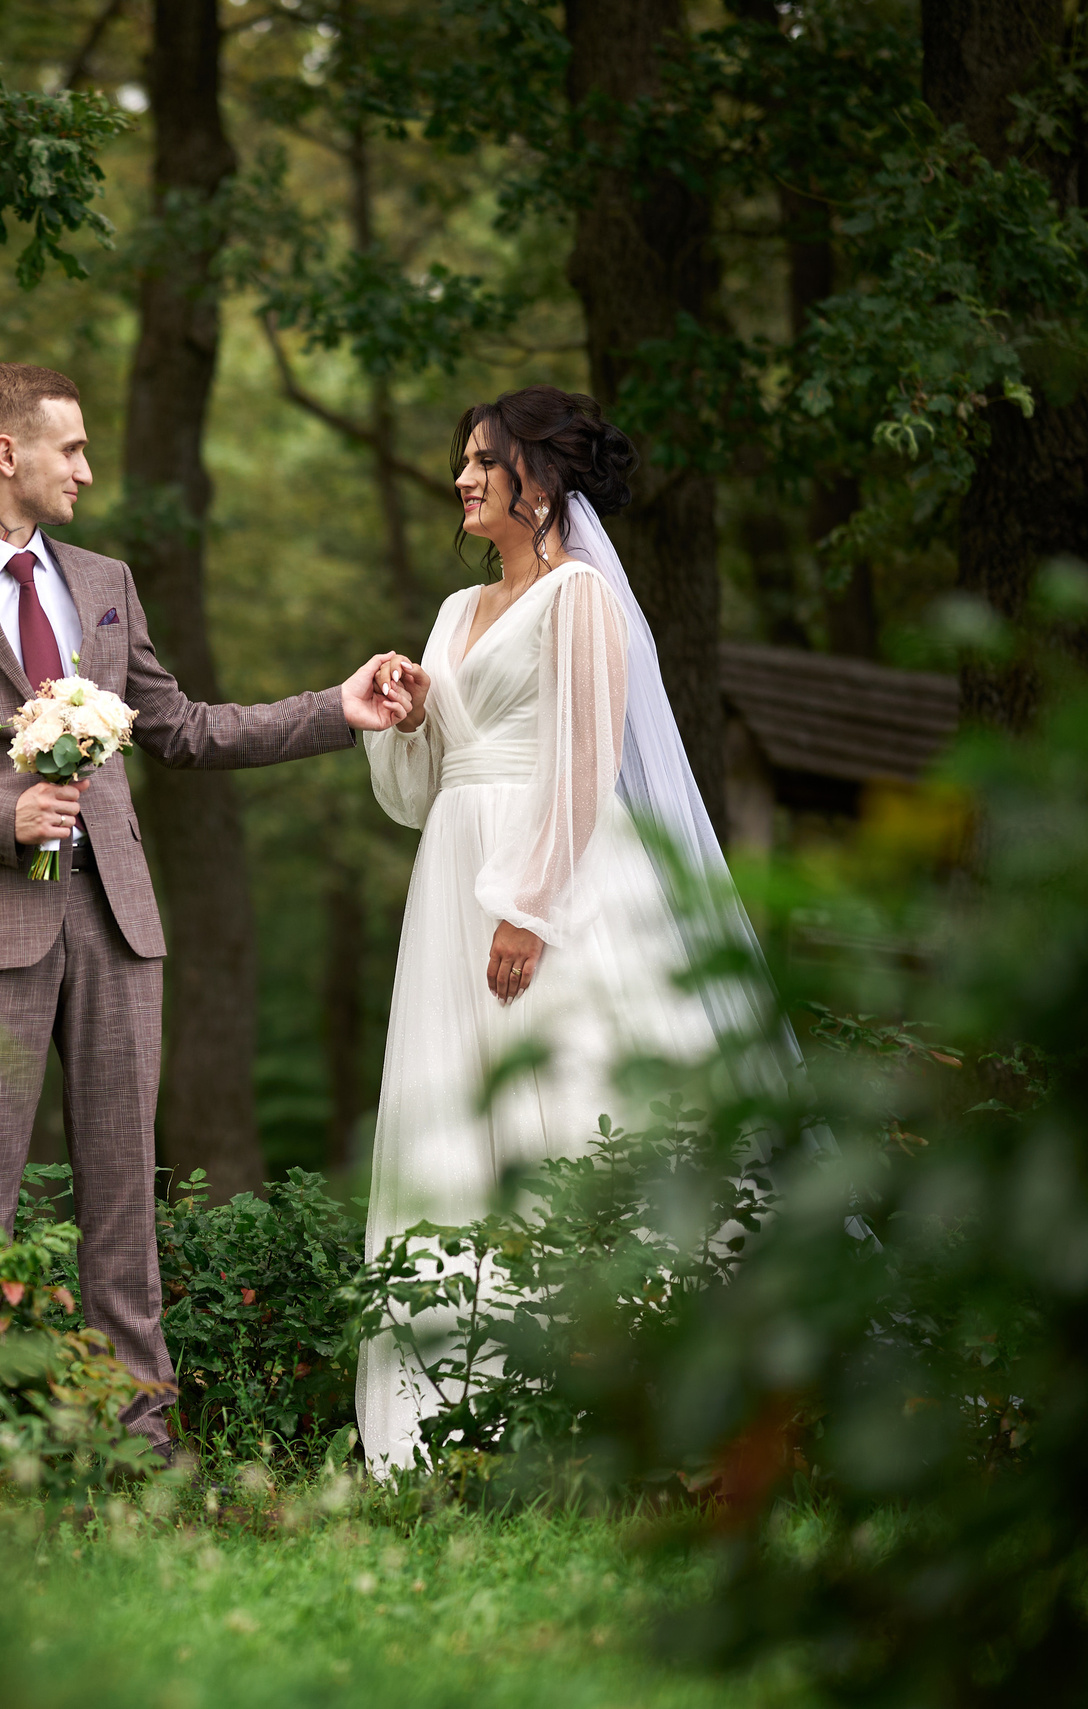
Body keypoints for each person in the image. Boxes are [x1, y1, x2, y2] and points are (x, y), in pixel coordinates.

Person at [0, 362, 412, 1457]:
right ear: (5, 452)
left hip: (117, 921)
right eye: (71, 448)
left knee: (123, 1199)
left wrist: (334, 711)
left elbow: (180, 727)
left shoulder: (105, 581)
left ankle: (141, 1440)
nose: (87, 471)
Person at [357, 385, 753, 1473]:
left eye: (483, 460)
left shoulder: (581, 596)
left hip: (554, 880)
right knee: (455, 1108)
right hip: (452, 870)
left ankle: (620, 1404)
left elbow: (585, 761)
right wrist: (406, 715)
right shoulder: (454, 612)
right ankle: (458, 1411)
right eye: (463, 460)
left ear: (540, 478)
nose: (462, 477)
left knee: (571, 1102)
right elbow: (422, 787)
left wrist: (528, 907)